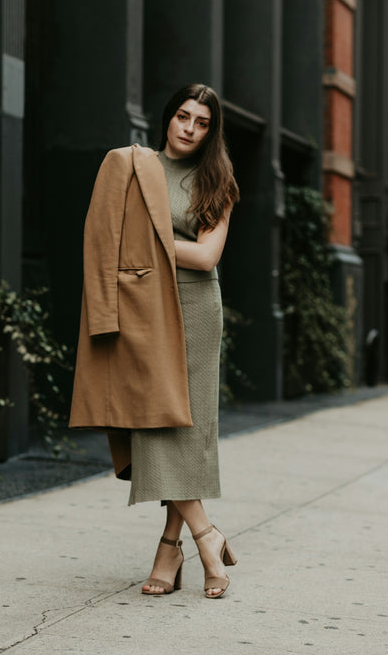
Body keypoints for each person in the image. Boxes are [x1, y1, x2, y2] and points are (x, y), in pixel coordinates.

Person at [69, 84, 239, 599]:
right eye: (182, 116)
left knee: (185, 428)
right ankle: (206, 536)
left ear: (212, 131)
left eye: (202, 122)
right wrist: (164, 247)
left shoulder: (218, 181)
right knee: (152, 422)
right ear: (167, 119)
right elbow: (101, 238)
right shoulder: (131, 166)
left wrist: (144, 243)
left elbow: (208, 257)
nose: (189, 128)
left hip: (195, 309)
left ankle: (173, 546)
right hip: (142, 311)